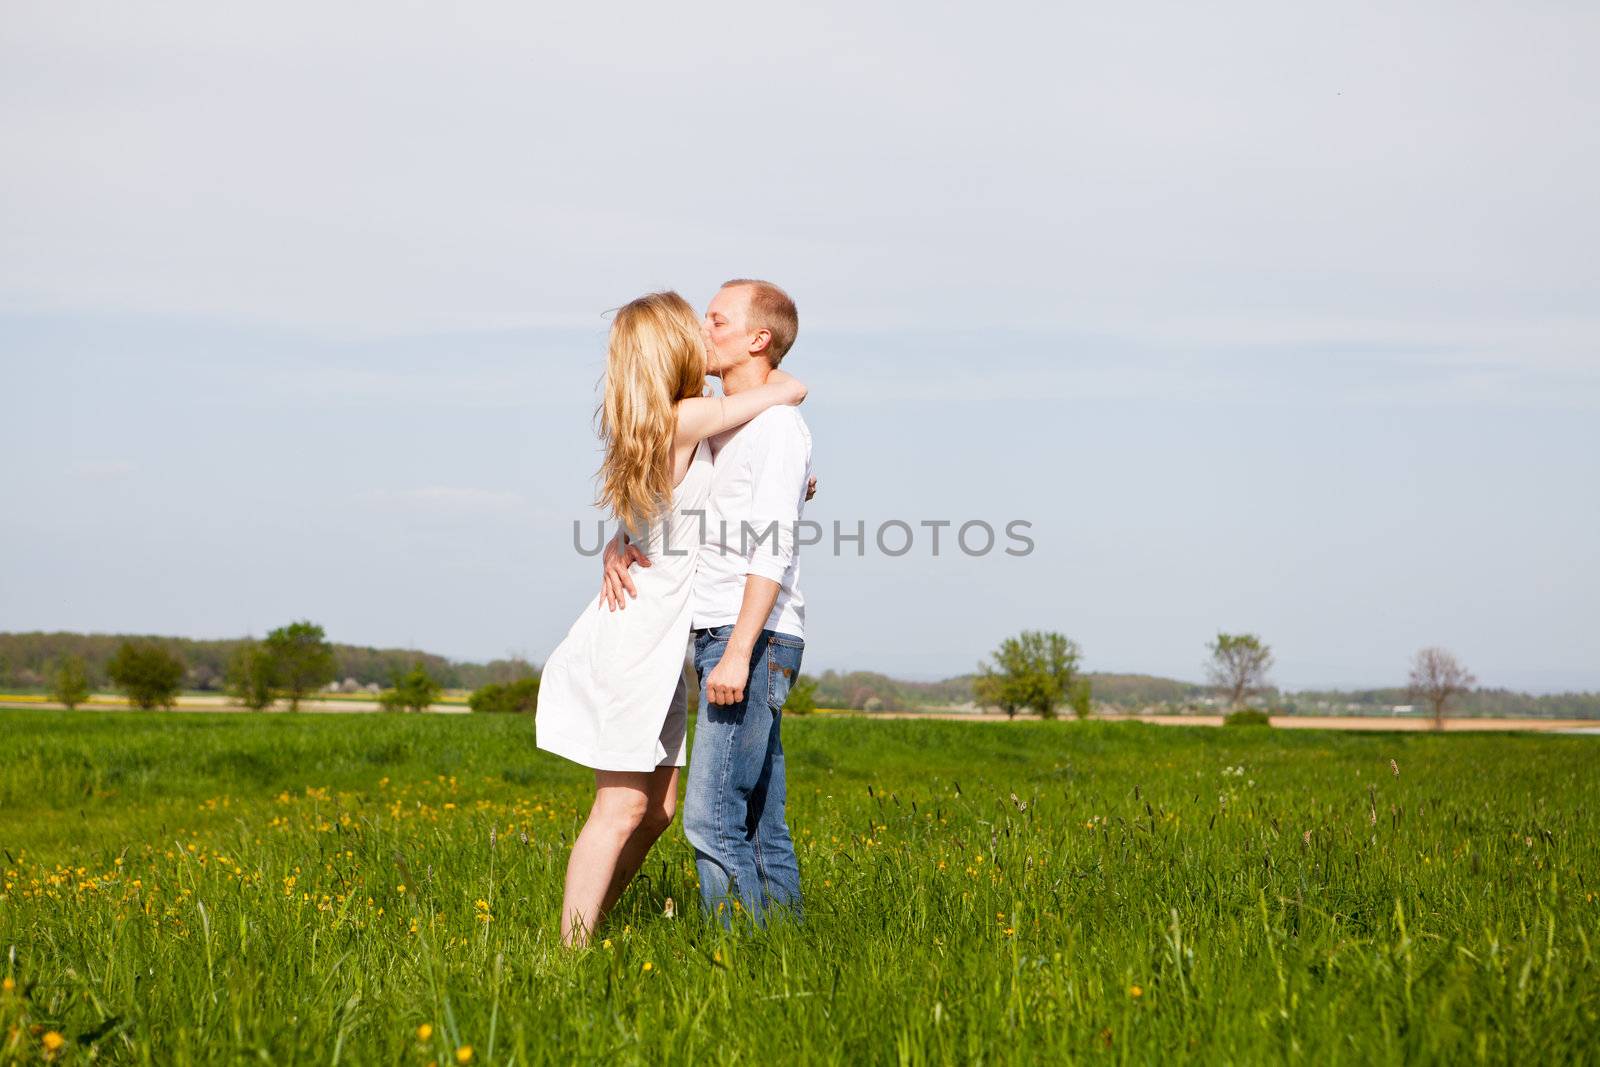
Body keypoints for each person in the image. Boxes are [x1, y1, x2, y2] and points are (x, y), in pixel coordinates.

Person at [536, 289, 808, 947]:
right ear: (672, 349)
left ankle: (591, 925)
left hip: (657, 641)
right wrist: (787, 383)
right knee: (624, 804)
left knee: (656, 810)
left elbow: (708, 498)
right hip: (636, 638)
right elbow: (785, 393)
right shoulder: (687, 415)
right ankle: (567, 952)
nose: (704, 333)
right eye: (696, 326)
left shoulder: (673, 423)